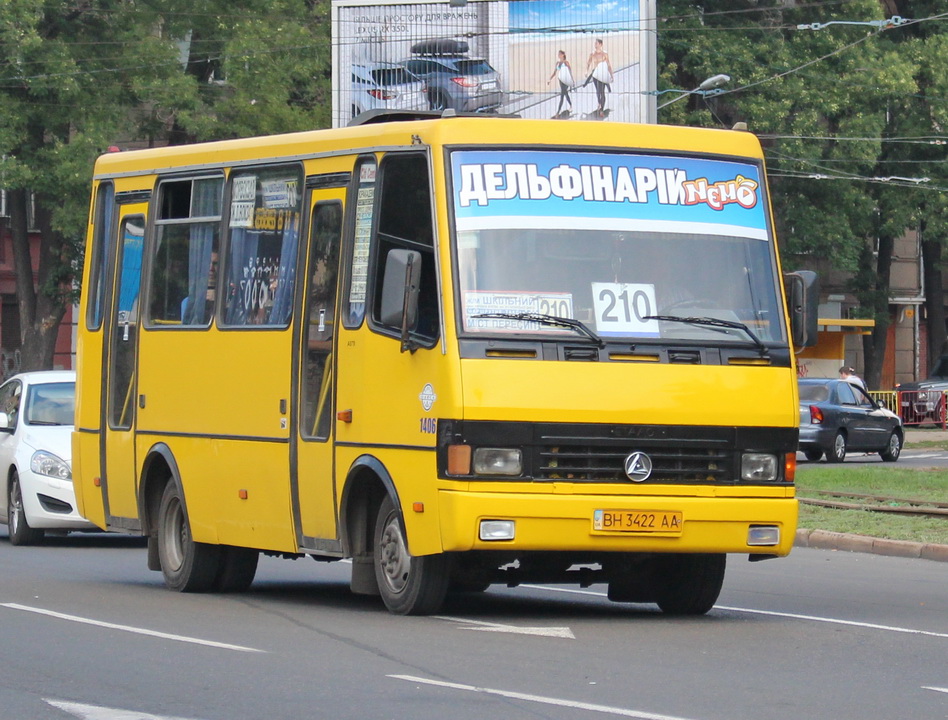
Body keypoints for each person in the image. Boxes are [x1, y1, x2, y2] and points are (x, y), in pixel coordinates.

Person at [584, 38, 613, 116]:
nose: (595, 45)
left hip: (603, 74)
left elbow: (609, 64)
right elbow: (588, 63)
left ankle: (601, 110)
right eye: (595, 43)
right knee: (598, 91)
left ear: (600, 44)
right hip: (595, 74)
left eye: (596, 43)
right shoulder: (592, 54)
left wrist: (611, 75)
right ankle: (599, 102)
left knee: (602, 92)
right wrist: (586, 71)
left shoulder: (605, 54)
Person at [547, 50, 573, 117]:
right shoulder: (558, 63)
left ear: (563, 55)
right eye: (558, 54)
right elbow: (555, 72)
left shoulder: (566, 63)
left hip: (566, 81)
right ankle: (571, 105)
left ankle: (558, 112)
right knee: (565, 94)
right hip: (561, 81)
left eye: (559, 54)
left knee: (562, 95)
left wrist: (572, 81)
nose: (558, 55)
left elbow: (570, 72)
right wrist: (550, 79)